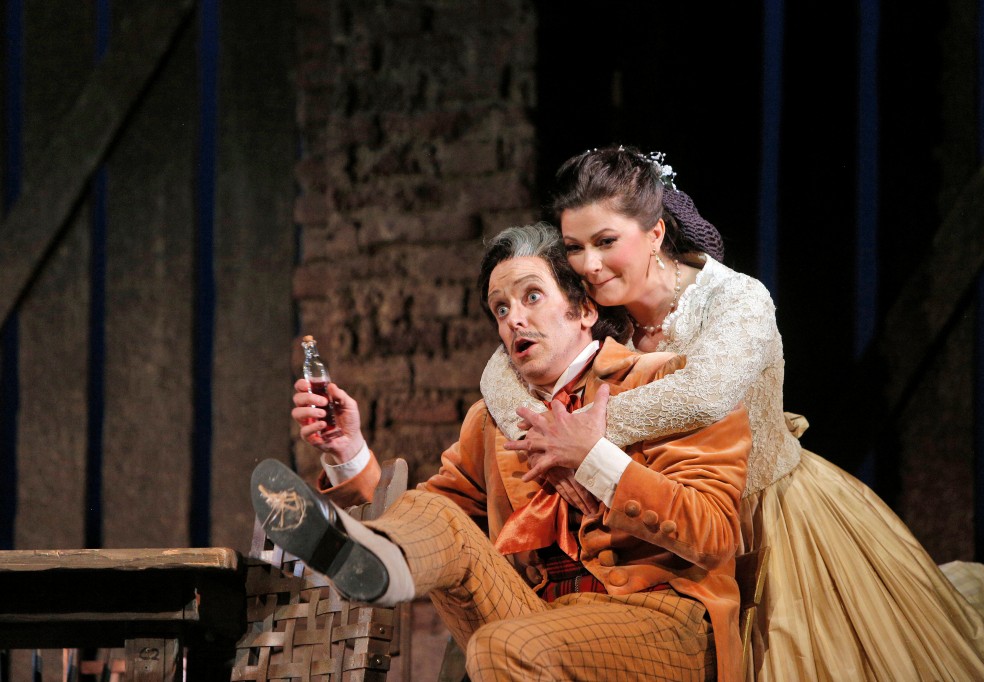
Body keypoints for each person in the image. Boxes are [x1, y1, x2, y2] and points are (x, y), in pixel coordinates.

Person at [479, 146, 984, 680]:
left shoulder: (736, 300)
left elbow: (704, 395)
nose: (589, 265)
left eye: (605, 242)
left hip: (771, 519)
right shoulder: (602, 305)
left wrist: (587, 433)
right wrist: (546, 439)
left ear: (655, 233)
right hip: (663, 530)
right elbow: (497, 371)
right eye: (574, 247)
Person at [253, 223, 754, 681]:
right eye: (501, 309)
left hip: (661, 623)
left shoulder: (665, 383)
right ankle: (364, 555)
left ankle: (370, 556)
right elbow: (432, 526)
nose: (515, 319)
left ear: (583, 309)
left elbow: (715, 532)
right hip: (540, 617)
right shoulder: (494, 421)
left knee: (504, 646)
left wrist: (595, 459)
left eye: (531, 296)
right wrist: (349, 451)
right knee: (438, 512)